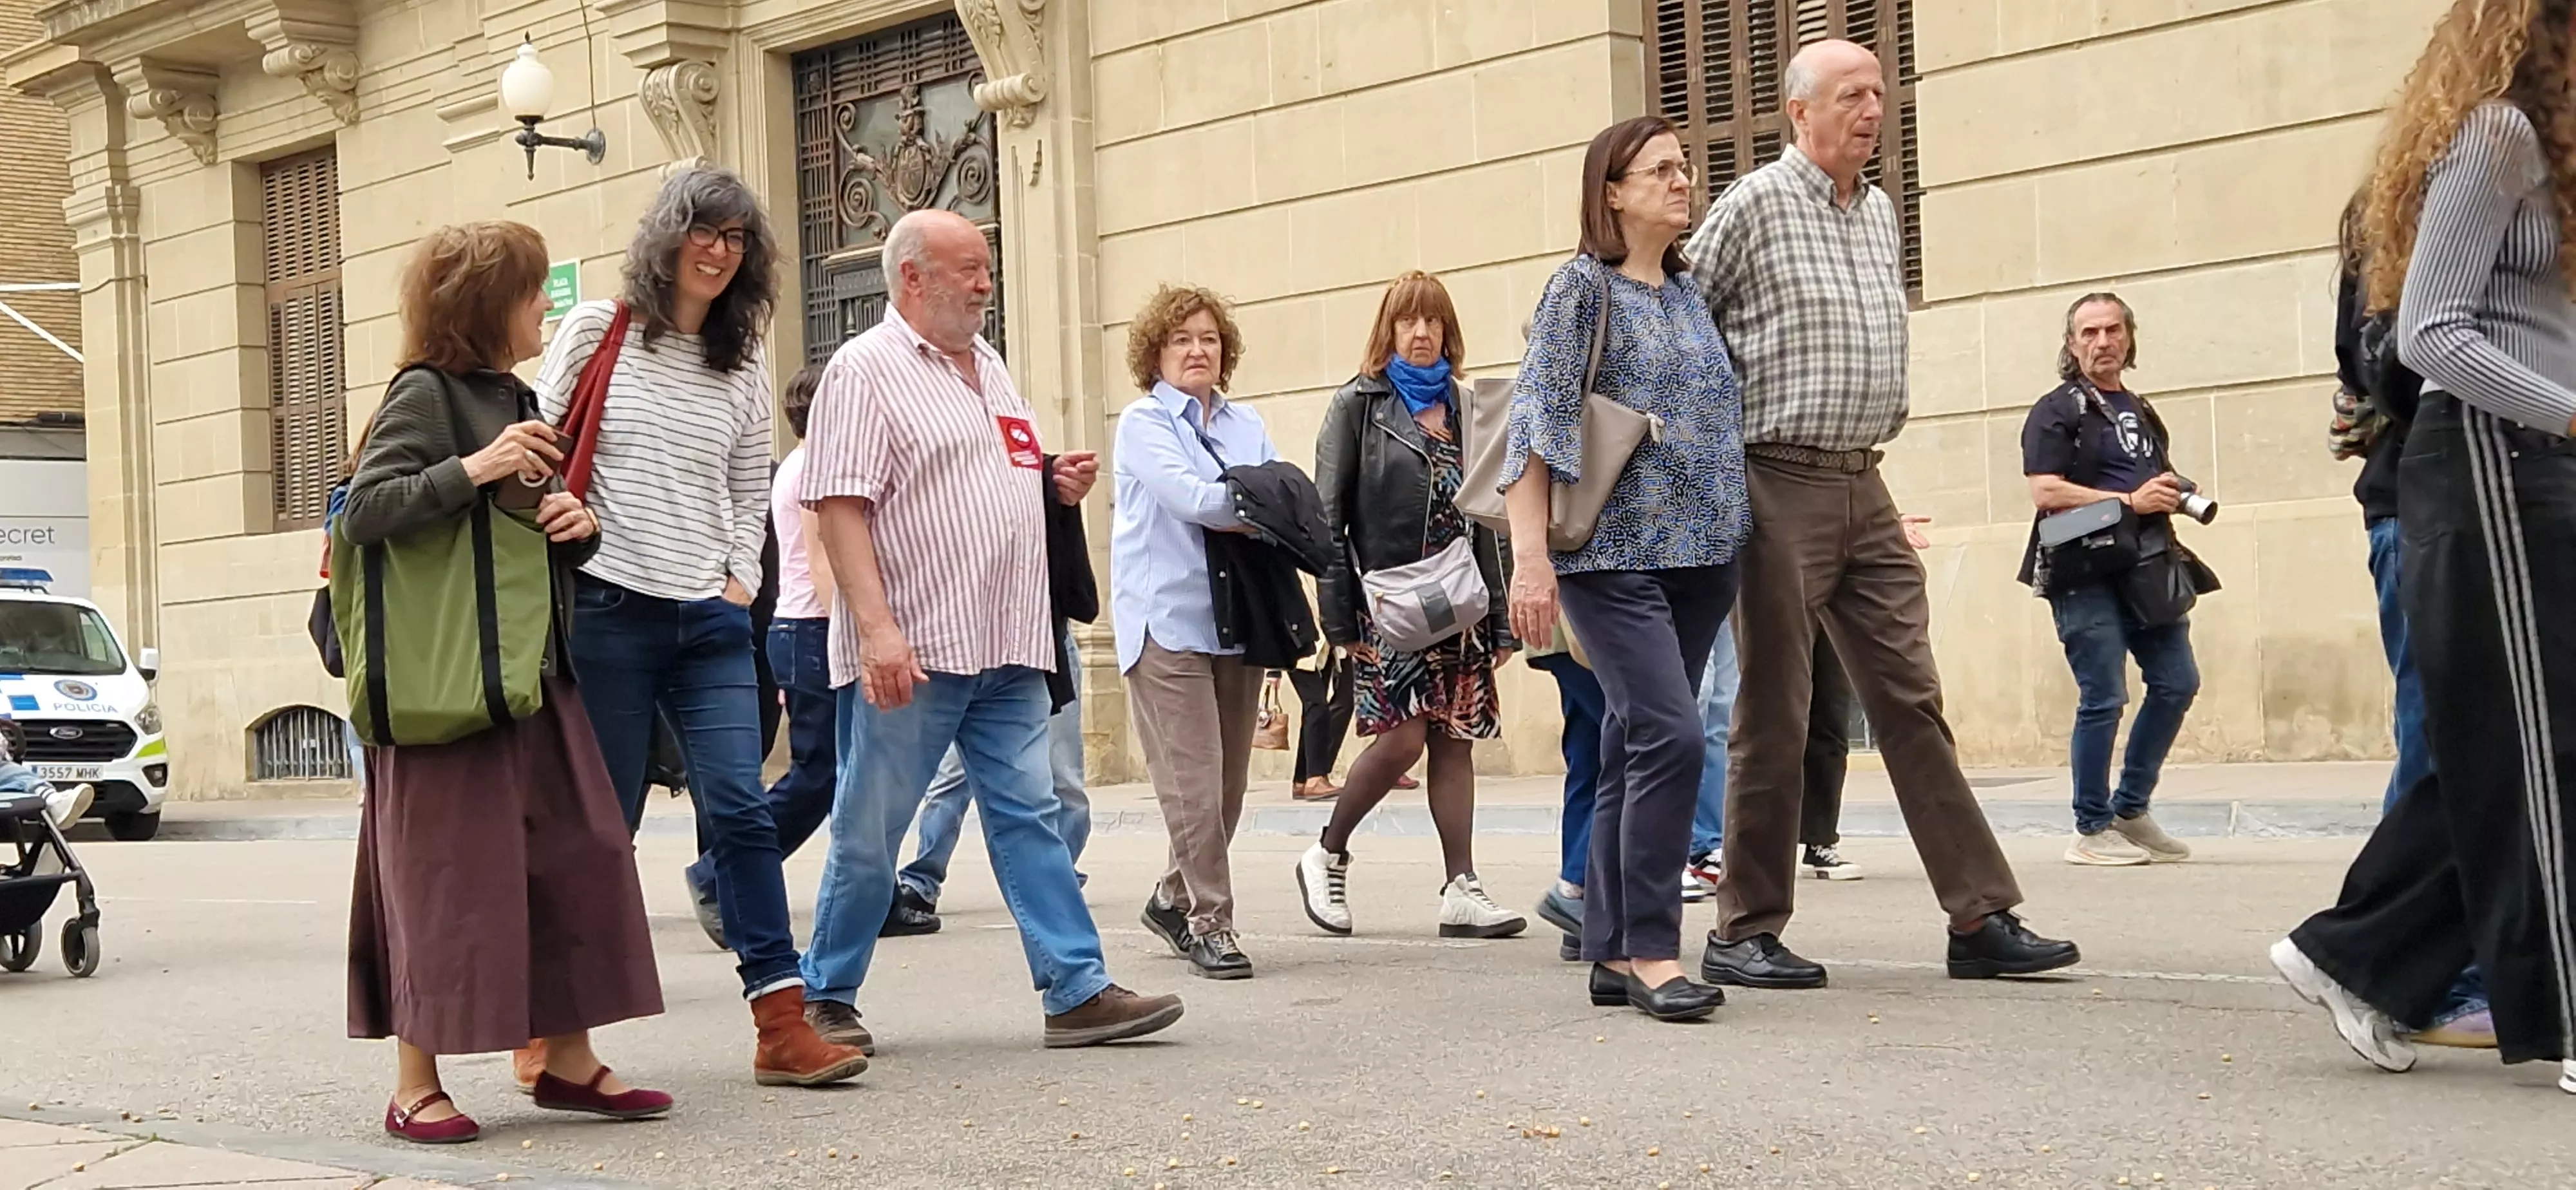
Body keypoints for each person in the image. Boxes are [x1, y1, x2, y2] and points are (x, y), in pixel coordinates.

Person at [1685, 39, 2079, 991]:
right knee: (1775, 709)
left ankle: (1979, 915)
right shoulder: (1752, 206)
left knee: (1910, 697)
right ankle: (1744, 928)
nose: (1873, 108)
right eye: (1852, 95)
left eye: (1880, 93)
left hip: (1868, 481)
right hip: (1773, 477)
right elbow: (1678, 320)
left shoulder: (1880, 214)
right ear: (1800, 112)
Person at [2277, 0, 2576, 1095]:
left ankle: (2360, 955)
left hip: (2537, 460)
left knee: (2516, 742)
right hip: (2489, 456)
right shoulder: (2495, 135)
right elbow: (2431, 334)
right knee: (2537, 751)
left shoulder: (2554, 150)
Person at [800, 209, 1183, 1048]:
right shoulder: (864, 372)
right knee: (873, 829)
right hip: (921, 649)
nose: (985, 283)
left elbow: (988, 474)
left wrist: (1050, 482)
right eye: (968, 269)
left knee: (1031, 818)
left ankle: (1074, 989)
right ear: (911, 277)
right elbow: (838, 507)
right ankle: (825, 996)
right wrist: (877, 632)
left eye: (986, 267)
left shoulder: (992, 366)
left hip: (1009, 641)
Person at [533, 167, 864, 1087]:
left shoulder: (743, 361)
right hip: (604, 610)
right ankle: (553, 1027)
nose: (718, 251)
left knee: (744, 817)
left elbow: (743, 485)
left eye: (735, 239)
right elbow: (540, 447)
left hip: (707, 623)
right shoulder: (599, 331)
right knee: (604, 828)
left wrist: (736, 580)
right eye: (703, 232)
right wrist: (559, 511)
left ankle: (781, 1025)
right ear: (666, 237)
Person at [341, 221, 668, 1143]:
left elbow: (505, 538)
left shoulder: (510, 391)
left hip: (529, 676)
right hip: (446, 687)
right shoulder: (426, 393)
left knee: (581, 854)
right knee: (446, 879)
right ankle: (416, 1085)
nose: (544, 308)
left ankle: (566, 1059)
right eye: (532, 293)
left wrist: (574, 521)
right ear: (489, 304)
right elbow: (366, 512)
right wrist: (474, 467)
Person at [1502, 115, 1749, 1023]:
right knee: (1672, 738)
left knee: (1628, 746)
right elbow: (1534, 427)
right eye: (1660, 170)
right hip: (1610, 559)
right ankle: (1652, 949)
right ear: (1612, 191)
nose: (1682, 182)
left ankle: (1608, 949)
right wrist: (1532, 566)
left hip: (1703, 559)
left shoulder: (1688, 296)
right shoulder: (1581, 289)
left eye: (1686, 168)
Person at [1295, 270, 1524, 940]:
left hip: (1462, 607)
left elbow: (1492, 517)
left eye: (1433, 322)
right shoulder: (1357, 407)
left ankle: (1461, 887)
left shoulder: (1467, 407)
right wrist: (1337, 621)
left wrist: (1503, 616)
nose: (1421, 333)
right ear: (1388, 332)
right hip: (1389, 607)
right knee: (1403, 737)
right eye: (1407, 321)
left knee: (1455, 741)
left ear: (1448, 332)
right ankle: (1326, 852)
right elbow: (1326, 520)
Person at [2327, 191, 2491, 1048]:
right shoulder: (2426, 195)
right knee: (2444, 742)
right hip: (2427, 501)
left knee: (2467, 741)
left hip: (2450, 499)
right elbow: (2388, 365)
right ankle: (2391, 970)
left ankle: (2406, 965)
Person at [1112, 283, 1281, 981]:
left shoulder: (1246, 424)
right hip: (1165, 622)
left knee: (1229, 788)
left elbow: (1274, 495)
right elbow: (1191, 499)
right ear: (1157, 352)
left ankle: (1170, 897)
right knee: (1192, 789)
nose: (1197, 350)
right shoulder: (1143, 422)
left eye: (1209, 339)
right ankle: (1211, 922)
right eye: (1182, 339)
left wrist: (1259, 504)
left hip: (1235, 621)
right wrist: (1260, 504)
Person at [2018, 293, 2202, 867]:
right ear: (2072, 345)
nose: (2103, 342)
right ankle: (2091, 826)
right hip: (2081, 568)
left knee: (2177, 681)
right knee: (2104, 695)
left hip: (2145, 565)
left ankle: (2131, 810)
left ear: (2130, 337)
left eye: (2113, 330)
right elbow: (2045, 491)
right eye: (2090, 333)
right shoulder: (2056, 409)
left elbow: (2148, 476)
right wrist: (2129, 498)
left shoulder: (2140, 408)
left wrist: (2170, 491)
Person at [678, 363, 833, 954]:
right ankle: (718, 872)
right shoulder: (812, 469)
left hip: (800, 631)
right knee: (818, 776)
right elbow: (821, 568)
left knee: (838, 776)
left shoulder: (800, 465)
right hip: (812, 630)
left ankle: (878, 892)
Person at [887, 630, 1093, 934]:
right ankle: (922, 882)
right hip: (973, 652)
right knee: (950, 781)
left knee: (1065, 782)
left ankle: (1058, 880)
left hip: (1046, 644)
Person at [1289, 645, 1354, 800]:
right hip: (1299, 646)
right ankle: (1315, 779)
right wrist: (1273, 672)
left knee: (1313, 711)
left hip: (1321, 651)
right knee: (1317, 708)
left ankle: (1302, 780)